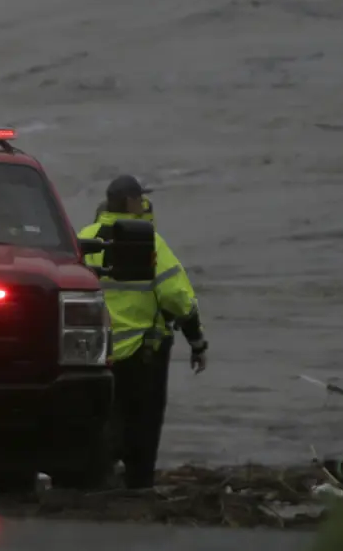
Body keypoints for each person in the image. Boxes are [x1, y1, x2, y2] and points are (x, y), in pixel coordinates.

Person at [77, 175, 206, 490]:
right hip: (142, 353)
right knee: (144, 423)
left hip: (92, 352)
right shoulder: (150, 243)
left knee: (98, 420)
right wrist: (196, 340)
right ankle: (138, 484)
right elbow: (177, 298)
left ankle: (93, 479)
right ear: (132, 203)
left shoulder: (83, 238)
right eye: (141, 198)